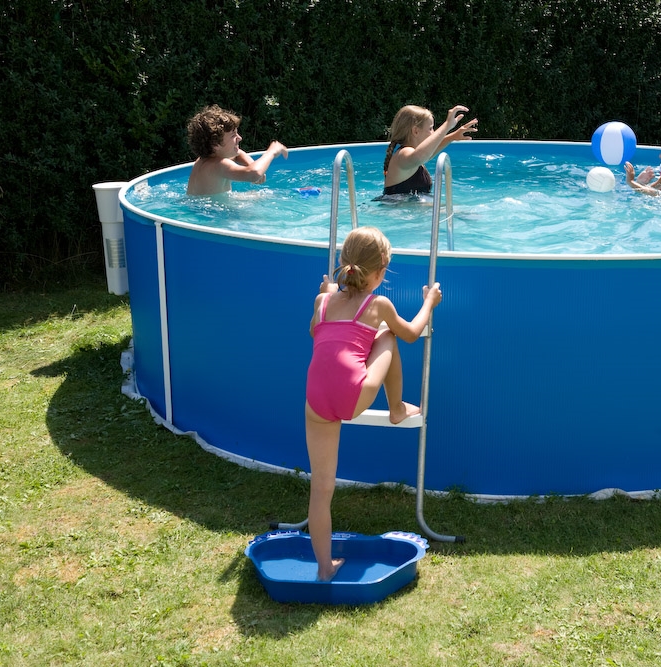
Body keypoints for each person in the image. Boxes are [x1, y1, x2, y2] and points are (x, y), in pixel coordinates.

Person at [304, 226, 443, 580]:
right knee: (389, 335)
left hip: (315, 400)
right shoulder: (379, 305)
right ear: (381, 272)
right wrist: (429, 302)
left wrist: (326, 293)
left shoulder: (322, 302)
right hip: (354, 396)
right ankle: (396, 409)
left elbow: (315, 331)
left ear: (343, 263)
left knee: (321, 489)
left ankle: (324, 568)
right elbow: (411, 333)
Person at [185, 104, 289, 196]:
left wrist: (251, 163)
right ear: (215, 144)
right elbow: (254, 173)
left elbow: (238, 153)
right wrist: (271, 152)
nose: (239, 138)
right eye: (233, 135)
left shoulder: (206, 159)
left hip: (207, 205)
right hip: (213, 211)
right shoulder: (219, 165)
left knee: (259, 196)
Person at [381, 104, 478, 196]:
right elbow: (421, 156)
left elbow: (428, 154)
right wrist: (447, 125)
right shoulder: (403, 153)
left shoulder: (410, 155)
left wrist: (452, 137)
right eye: (430, 128)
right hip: (398, 207)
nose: (433, 133)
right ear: (416, 131)